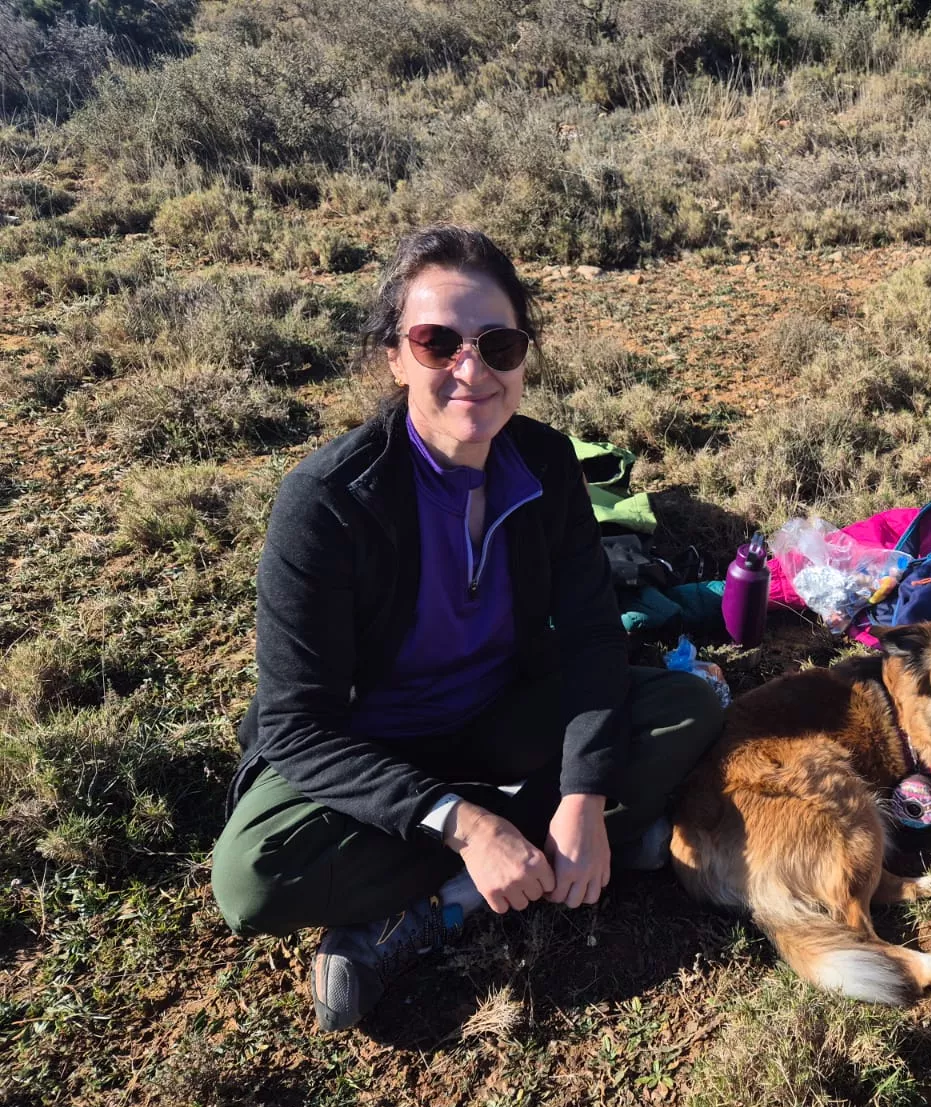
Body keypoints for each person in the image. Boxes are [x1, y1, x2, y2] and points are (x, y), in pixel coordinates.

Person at [211, 225, 724, 1032]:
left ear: (525, 352)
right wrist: (465, 823)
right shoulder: (328, 503)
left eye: (498, 342)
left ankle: (447, 895)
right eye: (436, 341)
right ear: (394, 355)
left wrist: (585, 796)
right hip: (369, 751)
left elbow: (592, 635)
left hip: (497, 717)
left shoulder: (546, 464)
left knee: (688, 705)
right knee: (255, 878)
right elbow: (292, 725)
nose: (471, 369)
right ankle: (527, 846)